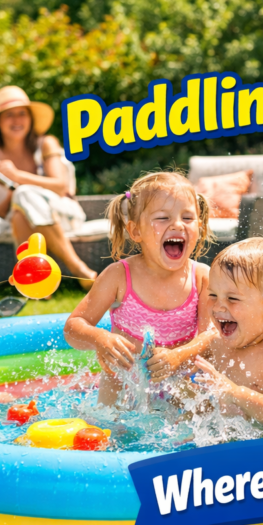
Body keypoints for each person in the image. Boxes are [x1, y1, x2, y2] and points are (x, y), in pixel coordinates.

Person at [64, 172, 215, 405]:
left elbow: (211, 338)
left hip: (180, 391)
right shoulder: (119, 276)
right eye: (163, 218)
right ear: (136, 231)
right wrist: (99, 338)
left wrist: (178, 356)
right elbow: (73, 328)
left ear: (200, 227)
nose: (177, 224)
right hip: (122, 396)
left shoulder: (202, 277)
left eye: (187, 217)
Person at [192, 238, 263, 431]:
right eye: (212, 295)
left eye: (232, 298)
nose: (218, 306)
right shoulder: (217, 342)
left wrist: (236, 393)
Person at [0, 86, 96, 286]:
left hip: (62, 213)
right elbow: (0, 211)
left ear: (30, 118)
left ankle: (73, 270)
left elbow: (60, 186)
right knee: (19, 211)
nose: (17, 120)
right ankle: (42, 283)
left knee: (24, 194)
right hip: (17, 219)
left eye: (22, 113)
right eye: (9, 115)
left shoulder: (46, 144)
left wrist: (17, 176)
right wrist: (7, 186)